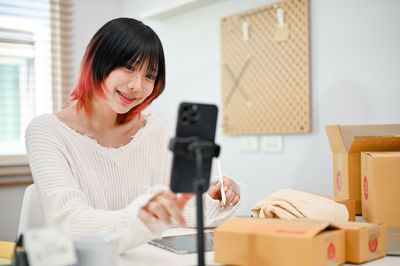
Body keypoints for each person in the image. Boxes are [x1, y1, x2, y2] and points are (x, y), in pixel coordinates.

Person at [25, 17, 241, 253]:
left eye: (150, 75)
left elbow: (174, 212)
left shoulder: (154, 130)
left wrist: (213, 200)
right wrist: (146, 215)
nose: (137, 86)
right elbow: (70, 223)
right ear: (97, 61)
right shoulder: (46, 131)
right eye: (129, 67)